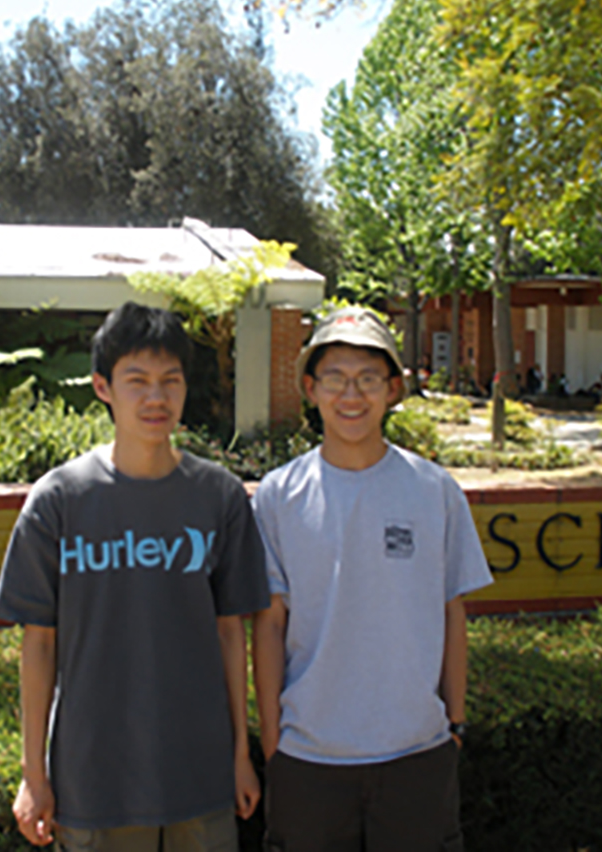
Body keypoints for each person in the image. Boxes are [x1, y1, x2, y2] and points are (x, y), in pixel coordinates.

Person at [0, 302, 269, 851]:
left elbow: (231, 633)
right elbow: (39, 645)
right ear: (103, 387)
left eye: (170, 381)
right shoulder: (59, 501)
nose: (156, 397)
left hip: (201, 775)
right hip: (93, 782)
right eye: (136, 381)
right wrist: (33, 773)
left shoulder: (219, 498)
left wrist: (240, 755)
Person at [252, 307, 494, 852]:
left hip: (417, 755)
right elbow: (268, 624)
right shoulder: (277, 495)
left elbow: (452, 612)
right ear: (311, 389)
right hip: (309, 759)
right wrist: (273, 740)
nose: (351, 395)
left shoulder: (435, 491)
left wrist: (454, 724)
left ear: (393, 389)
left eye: (367, 379)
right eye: (335, 378)